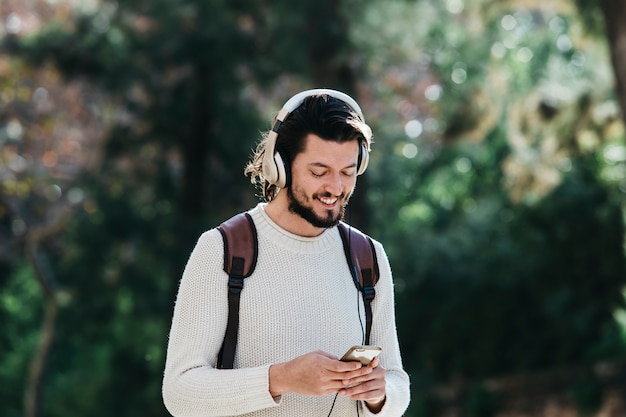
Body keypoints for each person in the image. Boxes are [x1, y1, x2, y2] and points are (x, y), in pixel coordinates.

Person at [162, 88, 410, 417]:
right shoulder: (222, 249)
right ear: (281, 166)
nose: (335, 188)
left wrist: (380, 394)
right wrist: (280, 379)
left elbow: (397, 383)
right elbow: (180, 391)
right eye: (319, 172)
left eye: (348, 172)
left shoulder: (368, 257)